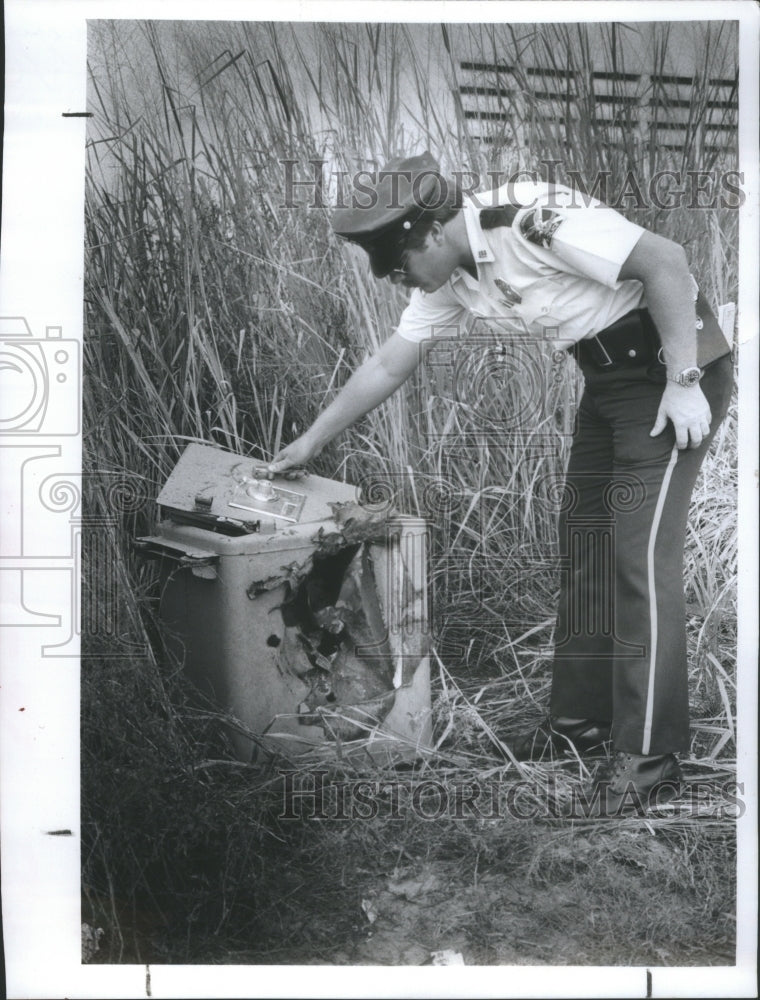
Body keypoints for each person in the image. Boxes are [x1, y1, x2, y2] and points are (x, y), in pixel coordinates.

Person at [268, 152, 733, 816]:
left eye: (396, 264)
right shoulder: (450, 279)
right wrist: (312, 441)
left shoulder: (524, 218)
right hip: (608, 382)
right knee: (586, 551)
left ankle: (649, 759)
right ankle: (579, 726)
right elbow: (387, 361)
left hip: (671, 368)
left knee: (638, 556)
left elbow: (665, 261)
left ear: (429, 231)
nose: (394, 279)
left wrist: (685, 383)